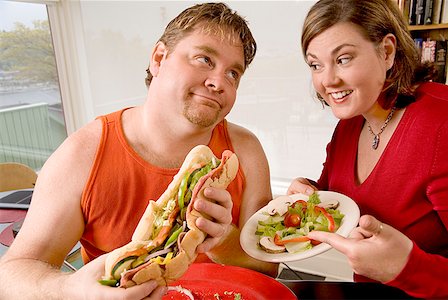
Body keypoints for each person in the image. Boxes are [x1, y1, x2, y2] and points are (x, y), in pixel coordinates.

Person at [0, 3, 277, 299]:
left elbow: (267, 266)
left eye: (233, 73)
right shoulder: (83, 153)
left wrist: (223, 239)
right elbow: (11, 275)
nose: (218, 82)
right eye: (204, 59)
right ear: (159, 58)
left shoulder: (245, 152)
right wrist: (69, 289)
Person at [288, 0, 448, 298]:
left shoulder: (443, 124)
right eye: (315, 65)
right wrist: (307, 192)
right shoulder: (349, 126)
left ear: (387, 52)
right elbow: (333, 199)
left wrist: (407, 267)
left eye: (344, 58)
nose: (327, 80)